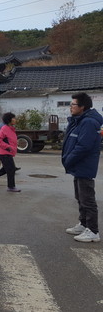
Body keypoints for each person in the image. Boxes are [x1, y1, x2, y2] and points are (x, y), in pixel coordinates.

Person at [62, 92, 102, 243]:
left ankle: (93, 231)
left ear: (82, 107)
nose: (70, 107)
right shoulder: (79, 120)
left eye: (73, 104)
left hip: (84, 166)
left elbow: (83, 146)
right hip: (78, 166)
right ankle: (83, 224)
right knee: (80, 197)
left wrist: (69, 160)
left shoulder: (89, 122)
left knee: (87, 199)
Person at [0, 112, 21, 192]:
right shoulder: (4, 128)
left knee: (4, 170)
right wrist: (8, 147)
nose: (15, 119)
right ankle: (11, 187)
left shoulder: (11, 128)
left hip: (9, 153)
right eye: (13, 118)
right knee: (11, 170)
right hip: (5, 153)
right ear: (9, 120)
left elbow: (10, 139)